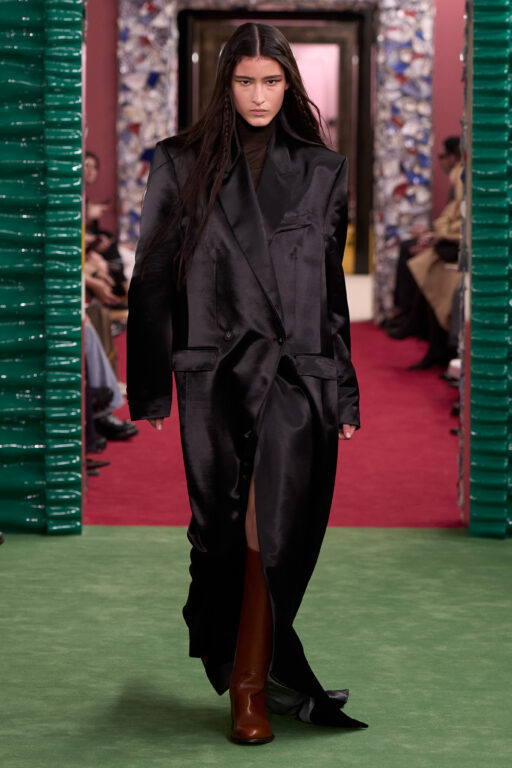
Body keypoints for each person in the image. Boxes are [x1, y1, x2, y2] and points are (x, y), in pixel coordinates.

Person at [127, 22, 366, 744]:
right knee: (220, 538)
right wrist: (150, 384)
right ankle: (252, 663)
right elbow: (152, 276)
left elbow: (329, 289)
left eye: (271, 81)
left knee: (274, 529)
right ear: (224, 84)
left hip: (296, 374)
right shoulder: (179, 162)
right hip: (216, 373)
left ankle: (250, 690)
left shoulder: (323, 169)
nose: (259, 96)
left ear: (288, 83)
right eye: (245, 81)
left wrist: (343, 386)